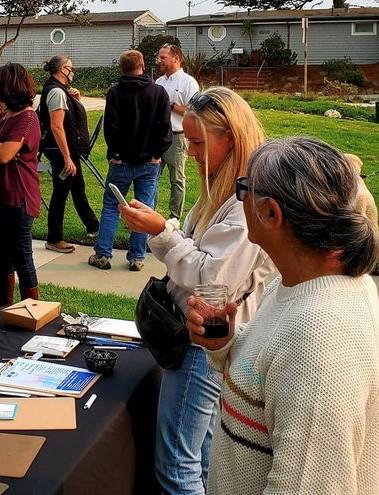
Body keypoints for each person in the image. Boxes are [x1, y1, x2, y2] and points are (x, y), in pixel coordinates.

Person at [186, 137, 379, 494]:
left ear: (271, 213)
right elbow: (271, 377)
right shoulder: (297, 283)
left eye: (244, 188)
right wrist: (227, 344)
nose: (239, 197)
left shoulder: (319, 341)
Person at [120, 87, 275, 495]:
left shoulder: (244, 204)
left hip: (203, 343)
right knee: (202, 453)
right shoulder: (225, 189)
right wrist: (164, 230)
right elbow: (199, 251)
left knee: (176, 465)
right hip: (201, 338)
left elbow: (213, 280)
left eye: (198, 143)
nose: (189, 152)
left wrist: (162, 231)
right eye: (187, 141)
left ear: (232, 138)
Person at [89, 50, 172, 272]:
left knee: (111, 206)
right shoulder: (158, 92)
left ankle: (102, 254)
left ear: (122, 68)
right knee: (144, 209)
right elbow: (165, 127)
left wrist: (114, 154)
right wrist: (157, 153)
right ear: (142, 65)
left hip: (121, 162)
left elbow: (111, 127)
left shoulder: (115, 93)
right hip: (149, 162)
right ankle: (137, 257)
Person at [0, 63, 41, 306]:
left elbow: (3, 156)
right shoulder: (3, 117)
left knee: (22, 258)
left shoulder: (28, 118)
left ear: (10, 87)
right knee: (2, 257)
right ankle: (4, 309)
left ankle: (31, 312)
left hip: (18, 197)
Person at [38, 55, 99, 254]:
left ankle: (93, 225)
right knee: (61, 192)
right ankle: (54, 238)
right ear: (62, 69)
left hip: (64, 150)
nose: (73, 71)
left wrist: (75, 100)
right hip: (60, 151)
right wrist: (66, 157)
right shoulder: (56, 92)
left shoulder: (60, 90)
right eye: (71, 67)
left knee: (77, 187)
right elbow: (56, 127)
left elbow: (68, 120)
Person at [155, 43, 199, 221]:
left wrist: (171, 106)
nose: (159, 61)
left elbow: (195, 113)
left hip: (177, 137)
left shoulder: (188, 83)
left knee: (177, 180)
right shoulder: (159, 82)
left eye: (163, 57)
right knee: (151, 177)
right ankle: (150, 213)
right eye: (159, 57)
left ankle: (174, 218)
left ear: (176, 58)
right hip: (158, 137)